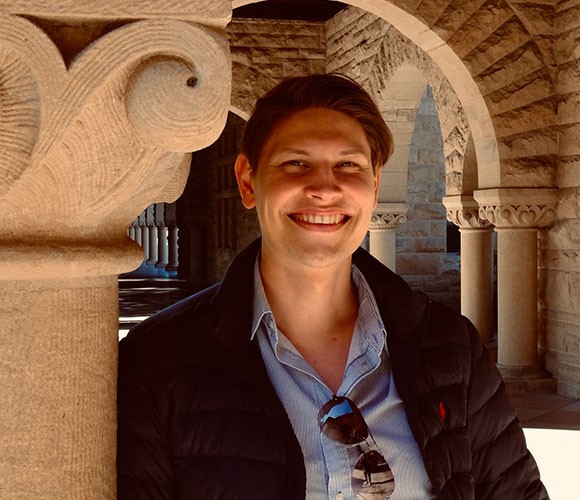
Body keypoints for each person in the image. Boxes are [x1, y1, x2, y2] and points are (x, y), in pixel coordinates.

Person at [117, 74, 548, 500]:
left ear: (375, 186)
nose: (324, 188)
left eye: (348, 165)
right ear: (248, 181)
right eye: (295, 163)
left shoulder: (449, 348)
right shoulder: (158, 363)